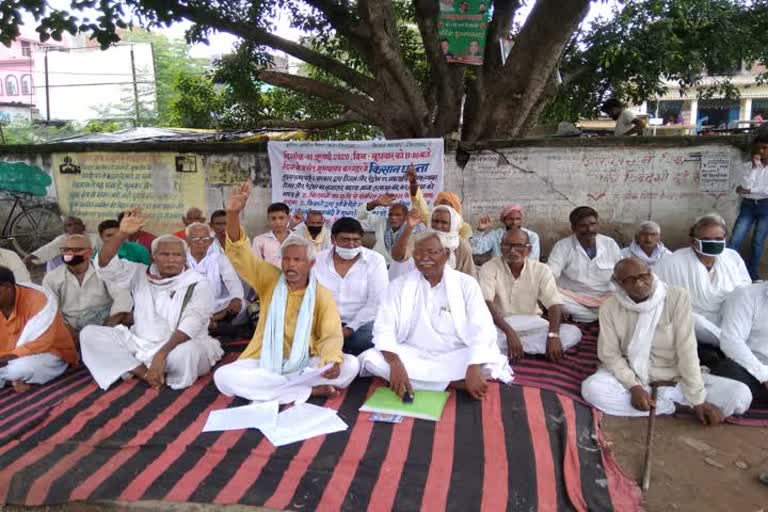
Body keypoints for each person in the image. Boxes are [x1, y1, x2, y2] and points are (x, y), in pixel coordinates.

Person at [214, 183, 359, 402]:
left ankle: (275, 389)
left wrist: (332, 360)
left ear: (310, 265)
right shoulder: (270, 279)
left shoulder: (320, 294)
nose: (290, 265)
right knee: (223, 377)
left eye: (297, 260)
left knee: (351, 365)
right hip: (265, 358)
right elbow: (241, 254)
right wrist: (233, 214)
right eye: (286, 259)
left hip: (305, 361)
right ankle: (306, 391)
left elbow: (331, 334)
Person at [581, 258, 751, 422]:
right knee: (592, 389)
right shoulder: (609, 307)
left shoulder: (676, 296)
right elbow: (610, 354)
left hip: (675, 378)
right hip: (632, 376)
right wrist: (634, 386)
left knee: (740, 395)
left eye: (643, 276)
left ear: (651, 273)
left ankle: (661, 403)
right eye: (629, 280)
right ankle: (673, 407)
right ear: (618, 284)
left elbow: (687, 350)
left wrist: (697, 399)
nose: (639, 283)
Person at [359, 230, 513, 400]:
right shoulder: (398, 286)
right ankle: (452, 383)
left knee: (489, 362)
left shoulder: (466, 284)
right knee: (371, 359)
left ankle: (429, 382)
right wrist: (395, 364)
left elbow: (481, 327)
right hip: (412, 353)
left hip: (455, 354)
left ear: (446, 254)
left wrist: (473, 366)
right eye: (418, 253)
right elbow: (383, 328)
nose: (424, 258)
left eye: (432, 252)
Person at [80, 211, 223, 390]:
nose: (171, 259)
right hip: (140, 343)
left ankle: (138, 366)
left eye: (177, 255)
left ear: (184, 257)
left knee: (187, 354)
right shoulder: (139, 272)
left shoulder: (197, 282)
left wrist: (161, 355)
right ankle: (144, 373)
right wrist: (122, 234)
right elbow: (104, 265)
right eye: (164, 254)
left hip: (177, 347)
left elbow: (192, 324)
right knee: (89, 334)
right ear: (154, 256)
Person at [480, 229, 582, 362]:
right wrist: (510, 333)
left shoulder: (541, 270)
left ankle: (514, 349)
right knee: (479, 336)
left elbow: (553, 304)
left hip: (531, 324)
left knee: (573, 332)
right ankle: (528, 349)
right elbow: (486, 303)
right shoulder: (489, 267)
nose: (512, 250)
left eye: (519, 246)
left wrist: (553, 336)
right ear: (501, 248)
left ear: (529, 249)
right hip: (500, 325)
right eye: (507, 245)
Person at [655, 214, 750, 347]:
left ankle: (734, 343)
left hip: (730, 318)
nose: (712, 243)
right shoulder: (671, 263)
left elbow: (746, 291)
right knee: (693, 320)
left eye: (718, 239)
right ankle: (733, 345)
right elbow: (657, 295)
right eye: (706, 239)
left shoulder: (732, 258)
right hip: (695, 325)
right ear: (692, 241)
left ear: (725, 239)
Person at [313, 217, 388, 356]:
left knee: (372, 336)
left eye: (356, 240)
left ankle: (337, 351)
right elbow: (310, 295)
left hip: (360, 325)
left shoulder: (375, 260)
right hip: (325, 322)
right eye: (345, 239)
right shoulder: (318, 259)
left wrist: (349, 329)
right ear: (333, 239)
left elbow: (376, 302)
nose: (351, 245)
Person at [0, 265, 78, 393]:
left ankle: (9, 379)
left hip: (48, 353)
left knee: (21, 368)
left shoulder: (39, 298)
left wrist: (6, 360)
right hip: (6, 360)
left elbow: (41, 343)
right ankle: (10, 380)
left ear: (7, 287)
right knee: (14, 369)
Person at [42, 234, 133, 343]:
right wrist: (73, 335)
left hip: (104, 323)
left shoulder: (104, 271)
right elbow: (52, 311)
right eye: (66, 250)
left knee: (129, 316)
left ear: (90, 253)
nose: (70, 254)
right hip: (70, 327)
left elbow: (122, 298)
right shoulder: (52, 278)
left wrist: (106, 329)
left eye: (77, 250)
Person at [547, 206, 621, 323]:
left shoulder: (610, 244)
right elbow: (550, 274)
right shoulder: (562, 246)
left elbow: (621, 273)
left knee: (625, 299)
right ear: (573, 228)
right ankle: (599, 318)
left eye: (593, 224)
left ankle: (591, 317)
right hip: (573, 299)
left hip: (605, 298)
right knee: (553, 296)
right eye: (583, 226)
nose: (589, 229)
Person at [710, 282, 768, 409]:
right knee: (728, 370)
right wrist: (764, 375)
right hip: (750, 370)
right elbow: (731, 341)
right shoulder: (746, 295)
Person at [185, 222, 246, 337]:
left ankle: (209, 324)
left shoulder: (219, 258)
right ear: (187, 240)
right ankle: (214, 326)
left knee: (241, 303)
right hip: (189, 306)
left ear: (210, 241)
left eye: (205, 239)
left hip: (216, 306)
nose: (201, 242)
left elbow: (232, 281)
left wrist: (236, 299)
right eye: (196, 239)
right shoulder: (182, 258)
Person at [390, 205, 476, 279]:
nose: (438, 225)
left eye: (444, 222)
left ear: (453, 224)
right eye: (435, 221)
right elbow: (398, 257)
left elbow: (469, 276)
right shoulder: (419, 239)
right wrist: (408, 228)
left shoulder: (461, 246)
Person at [728, 137, 768, 281]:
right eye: (758, 148)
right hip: (748, 206)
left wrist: (749, 190)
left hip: (766, 206)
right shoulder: (747, 166)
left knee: (758, 241)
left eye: (764, 148)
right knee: (735, 238)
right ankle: (728, 271)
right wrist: (754, 169)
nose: (760, 151)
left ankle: (752, 274)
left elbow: (766, 191)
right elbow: (742, 187)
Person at [408, 165, 472, 240]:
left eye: (444, 222)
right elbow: (419, 203)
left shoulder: (463, 228)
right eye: (440, 207)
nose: (438, 226)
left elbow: (464, 248)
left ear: (454, 210)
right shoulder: (431, 219)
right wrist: (413, 182)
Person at [356, 193, 423, 265]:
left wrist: (408, 228)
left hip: (402, 267)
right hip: (379, 265)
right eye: (390, 214)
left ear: (405, 217)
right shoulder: (381, 222)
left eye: (398, 215)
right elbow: (361, 218)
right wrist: (375, 203)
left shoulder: (414, 229)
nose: (393, 218)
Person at [25, 216, 101, 271]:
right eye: (69, 225)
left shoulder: (94, 238)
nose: (74, 227)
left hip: (91, 268)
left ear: (83, 227)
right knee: (53, 259)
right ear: (65, 229)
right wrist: (30, 258)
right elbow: (47, 249)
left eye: (77, 224)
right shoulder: (62, 239)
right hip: (67, 270)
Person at [470, 204, 541, 261]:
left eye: (518, 219)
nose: (514, 222)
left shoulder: (532, 236)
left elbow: (533, 260)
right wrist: (480, 230)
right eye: (510, 219)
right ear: (503, 220)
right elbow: (475, 249)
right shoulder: (496, 235)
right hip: (498, 272)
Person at [252, 202, 292, 267]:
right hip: (267, 276)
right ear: (268, 219)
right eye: (273, 218)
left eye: (281, 218)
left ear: (288, 218)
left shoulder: (298, 240)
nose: (277, 222)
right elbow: (256, 266)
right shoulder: (259, 240)